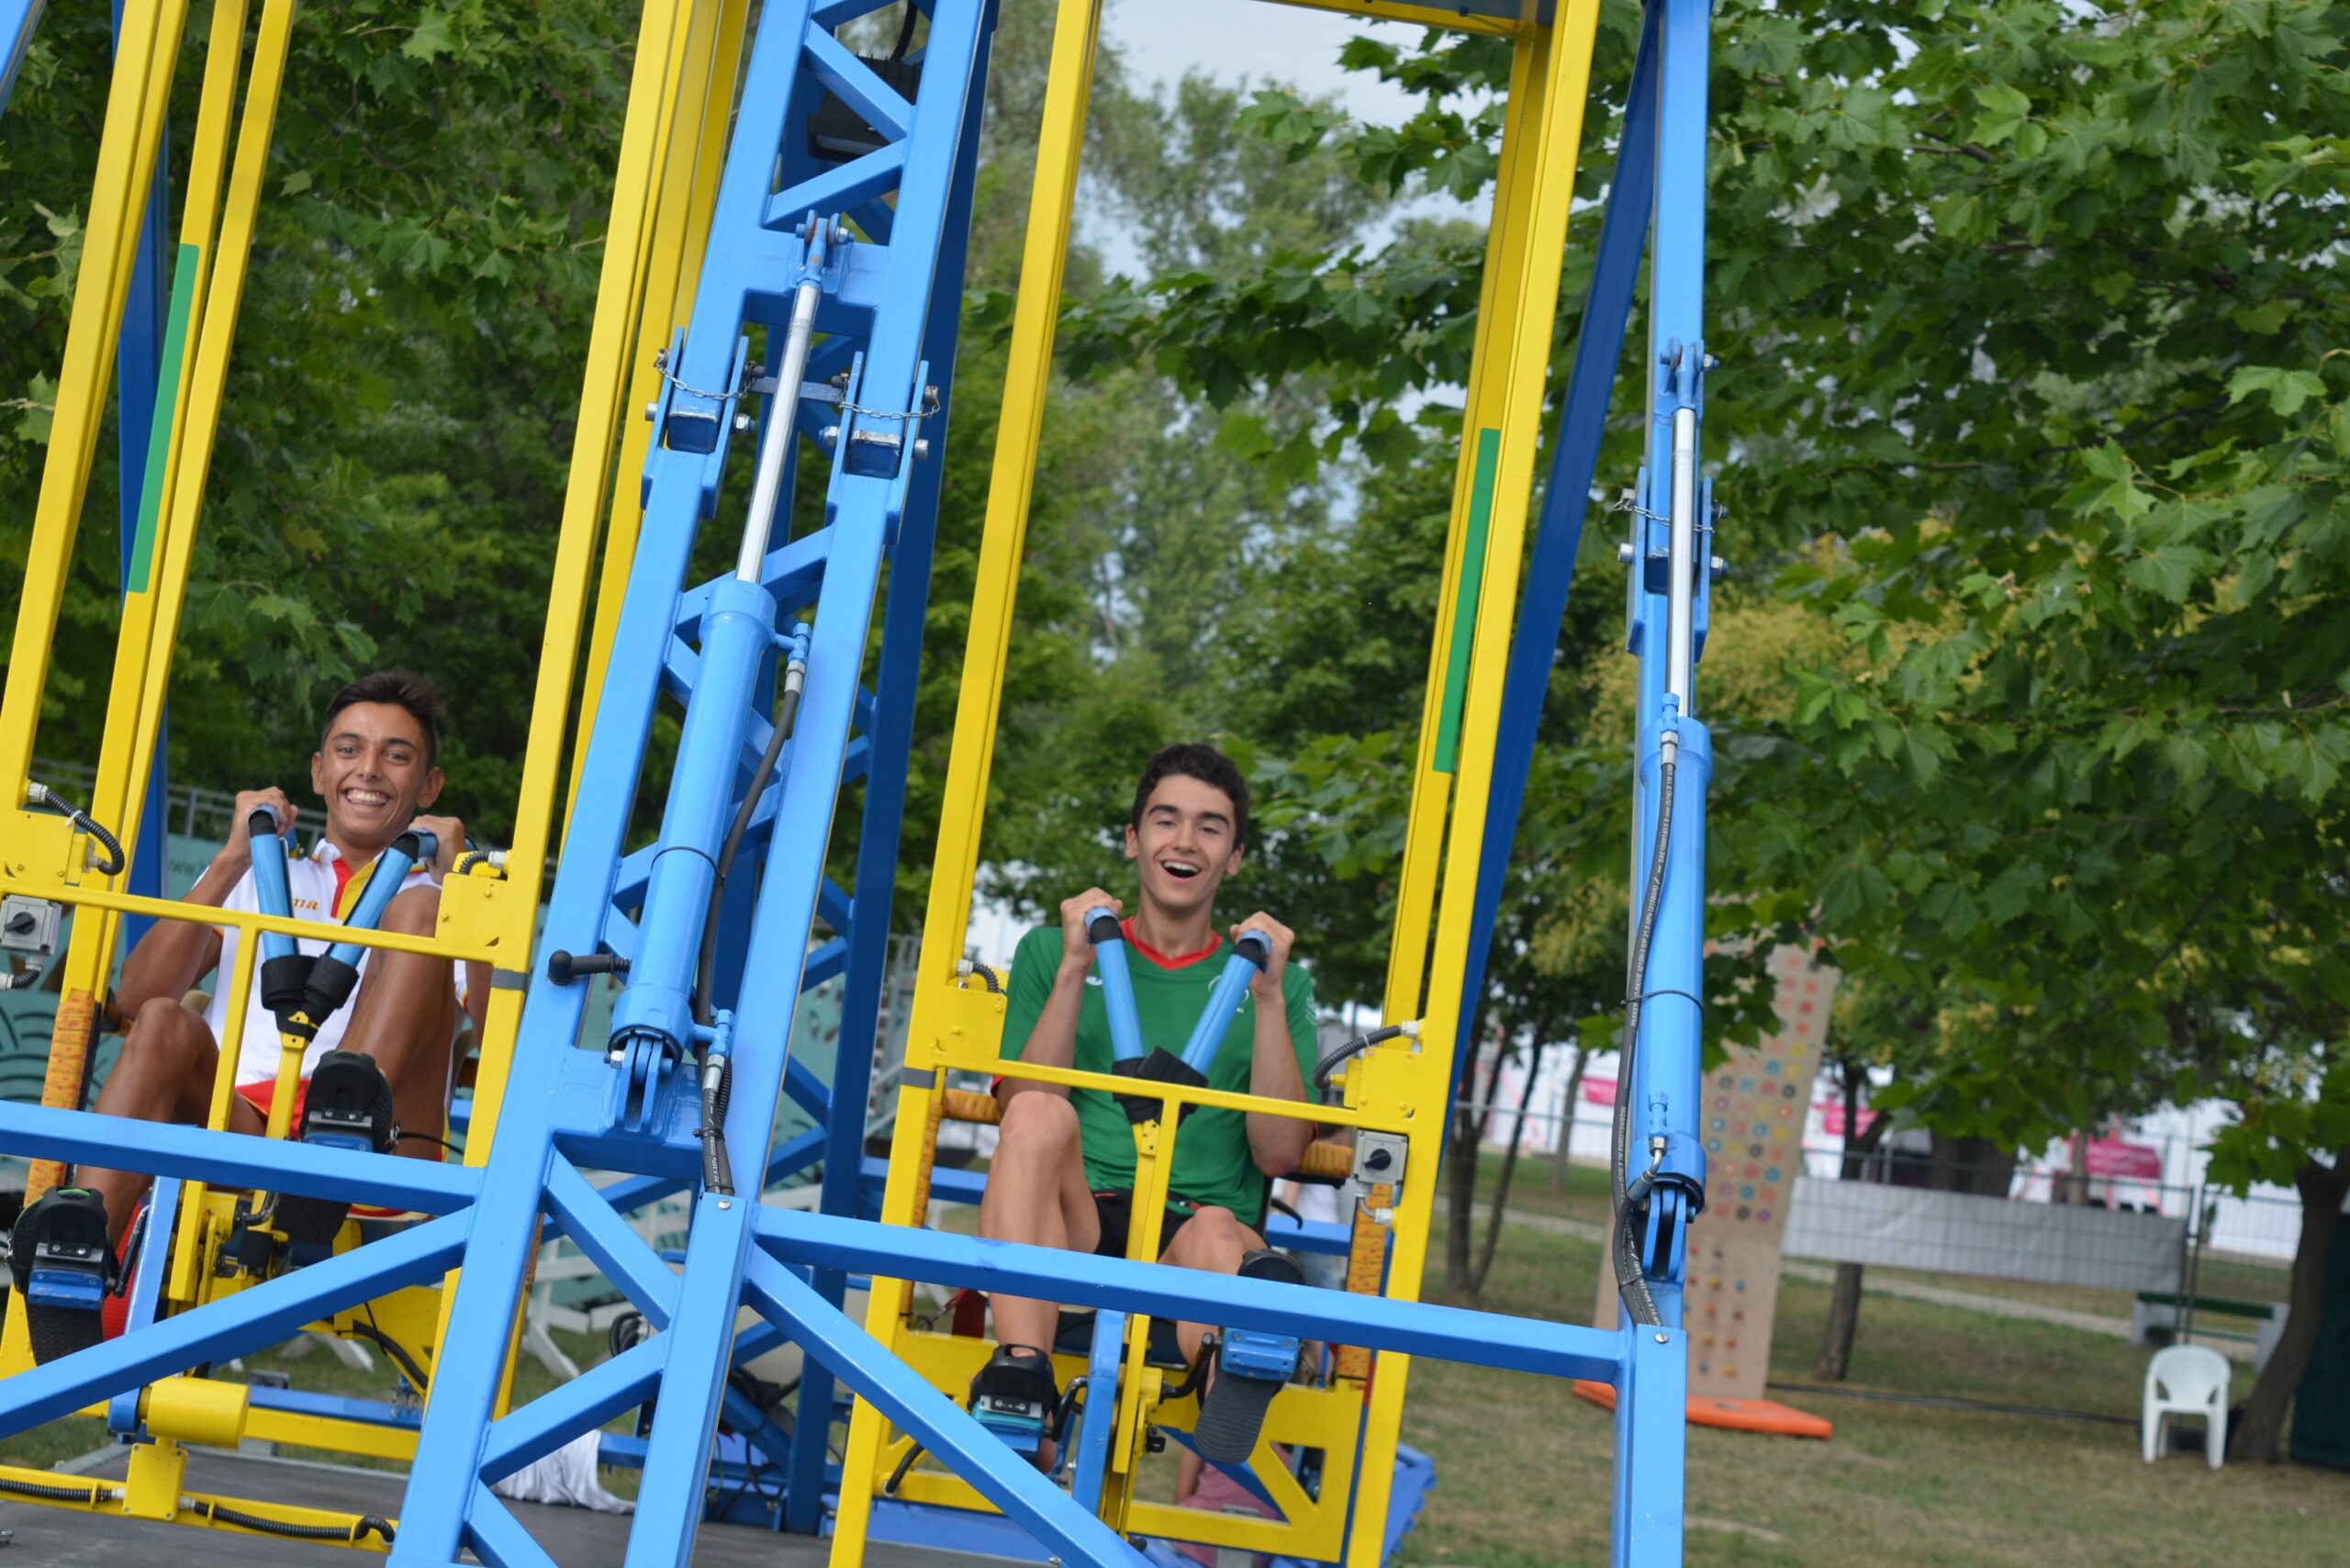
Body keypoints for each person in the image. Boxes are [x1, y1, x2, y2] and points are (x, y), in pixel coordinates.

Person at [9, 672, 486, 1360]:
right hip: (249, 1134)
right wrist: (235, 855)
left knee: (415, 908)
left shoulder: (445, 895)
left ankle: (341, 1125)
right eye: (349, 749)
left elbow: (501, 1040)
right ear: (319, 771)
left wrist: (463, 880)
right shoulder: (268, 873)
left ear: (429, 787)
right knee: (166, 1021)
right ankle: (78, 1251)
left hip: (384, 1145)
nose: (369, 769)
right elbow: (137, 997)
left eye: (397, 755)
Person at [975, 743, 1319, 1468]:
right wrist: (1077, 967)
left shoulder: (1277, 982)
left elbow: (1281, 1152)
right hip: (1080, 1218)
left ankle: (1230, 1376)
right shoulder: (1052, 950)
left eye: (1210, 827)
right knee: (1037, 1114)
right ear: (1134, 840)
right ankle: (1024, 1375)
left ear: (1234, 858)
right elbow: (1025, 1107)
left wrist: (1265, 1000)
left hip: (1195, 1229)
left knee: (1219, 1232)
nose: (1185, 841)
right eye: (1166, 820)